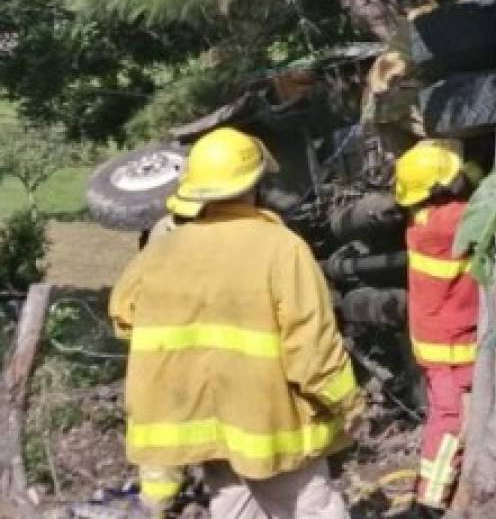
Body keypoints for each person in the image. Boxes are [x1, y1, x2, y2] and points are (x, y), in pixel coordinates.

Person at [110, 127, 363, 519]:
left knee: (233, 504)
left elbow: (124, 319)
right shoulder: (281, 248)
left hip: (202, 422)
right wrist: (347, 401)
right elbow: (311, 349)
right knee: (310, 506)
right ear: (256, 183)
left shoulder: (161, 250)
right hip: (268, 422)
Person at [395, 139, 478, 516]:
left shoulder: (424, 220)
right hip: (451, 345)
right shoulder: (451, 222)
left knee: (450, 415)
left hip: (438, 339)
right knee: (451, 422)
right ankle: (428, 501)